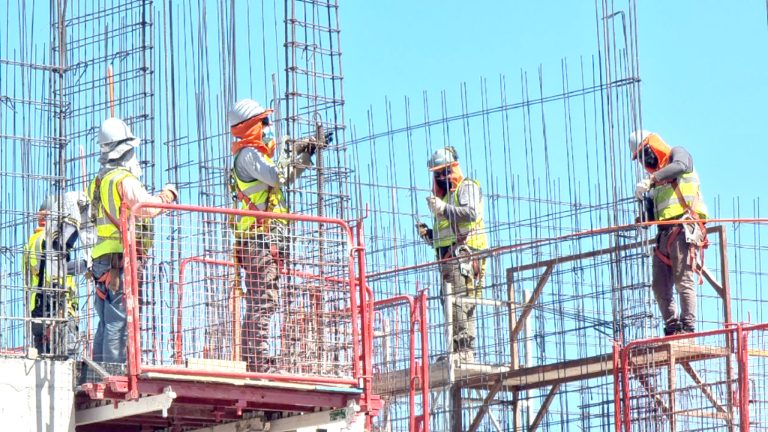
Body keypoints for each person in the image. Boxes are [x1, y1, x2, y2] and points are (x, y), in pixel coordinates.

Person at [227, 98, 319, 372]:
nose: (269, 128)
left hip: (261, 240)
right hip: (258, 240)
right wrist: (302, 157)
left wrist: (299, 154)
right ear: (251, 126)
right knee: (263, 300)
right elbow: (278, 176)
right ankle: (258, 362)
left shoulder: (255, 154)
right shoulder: (248, 155)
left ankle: (256, 359)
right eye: (264, 123)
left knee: (262, 300)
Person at [89, 117, 178, 363]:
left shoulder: (98, 182)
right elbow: (146, 207)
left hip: (101, 259)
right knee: (119, 321)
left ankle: (98, 369)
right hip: (120, 259)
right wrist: (166, 197)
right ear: (126, 149)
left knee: (106, 320)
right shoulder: (123, 180)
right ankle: (114, 372)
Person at [630, 130, 709, 335]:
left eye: (645, 153)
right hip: (664, 235)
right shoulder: (654, 183)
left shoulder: (678, 155)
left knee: (683, 279)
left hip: (683, 228)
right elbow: (649, 220)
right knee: (659, 285)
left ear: (654, 145)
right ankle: (672, 326)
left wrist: (652, 180)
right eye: (640, 158)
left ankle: (688, 327)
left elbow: (681, 166)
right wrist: (642, 205)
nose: (645, 160)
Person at [416, 146, 488, 362]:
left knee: (459, 300)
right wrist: (429, 234)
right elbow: (446, 235)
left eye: (444, 172)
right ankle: (455, 349)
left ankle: (464, 350)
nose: (441, 177)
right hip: (449, 256)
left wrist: (442, 209)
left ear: (453, 169)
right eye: (437, 175)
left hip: (465, 254)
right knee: (449, 302)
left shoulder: (466, 187)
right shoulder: (446, 198)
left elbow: (470, 214)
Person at [23, 194, 89, 357]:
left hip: (37, 309)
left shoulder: (31, 242)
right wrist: (86, 265)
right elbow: (57, 268)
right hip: (56, 306)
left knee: (43, 359)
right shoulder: (49, 239)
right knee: (66, 357)